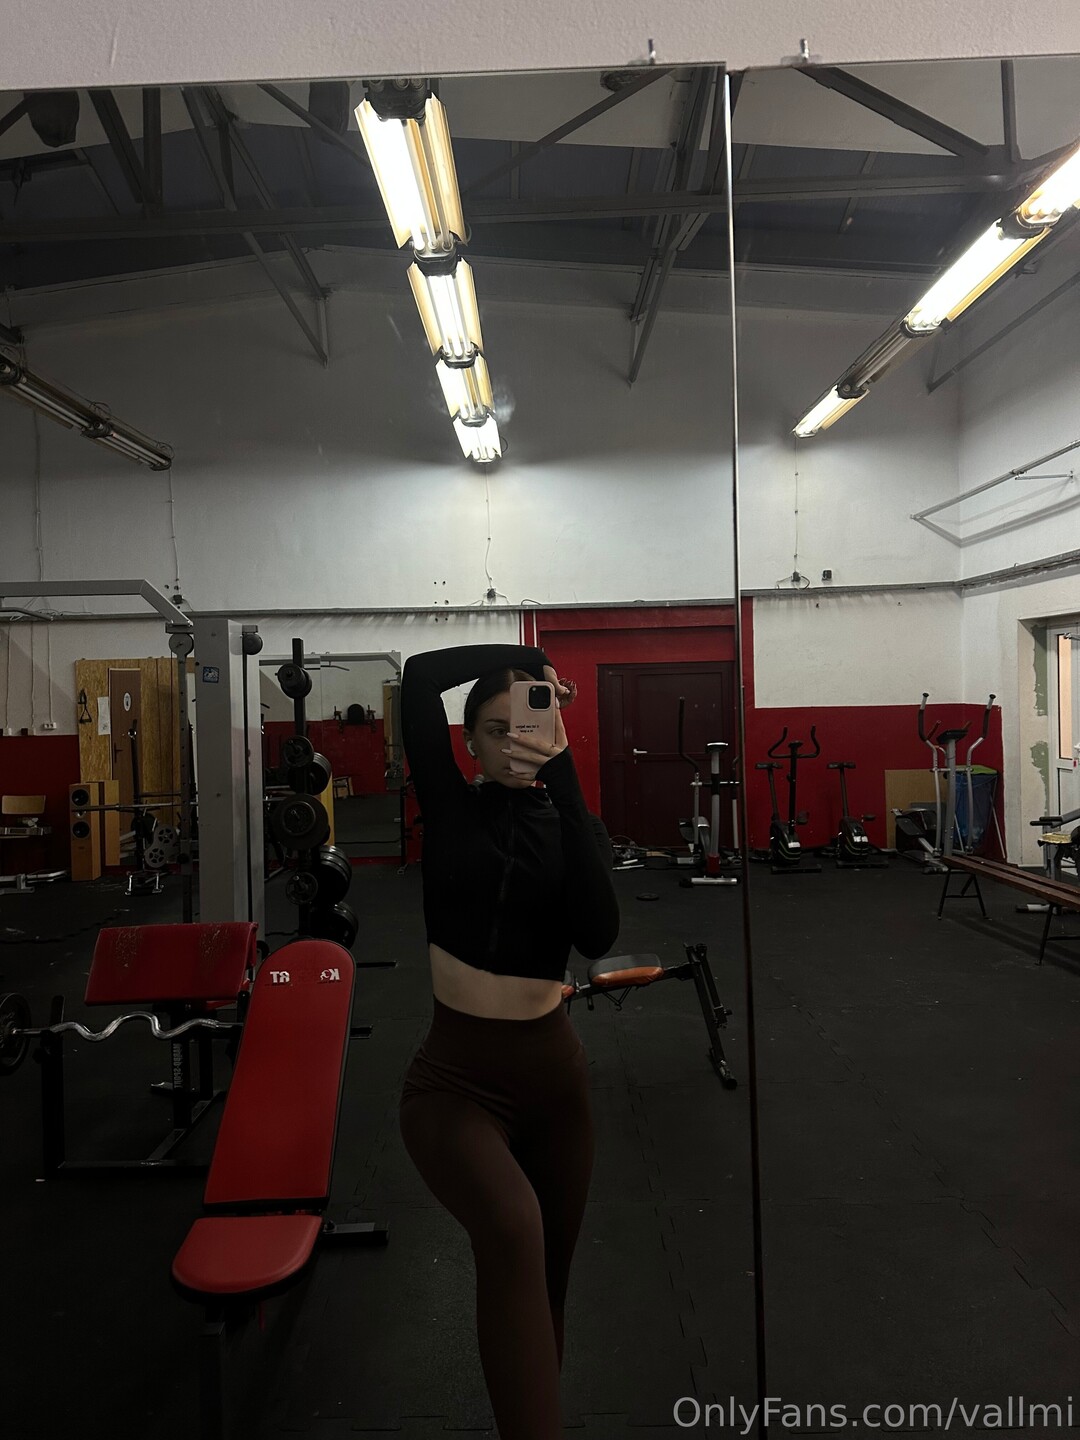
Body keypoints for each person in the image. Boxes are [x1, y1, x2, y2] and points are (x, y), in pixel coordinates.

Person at [398, 642, 620, 1440]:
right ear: (469, 743)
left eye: (528, 725)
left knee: (545, 1281)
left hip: (556, 1084)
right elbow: (422, 677)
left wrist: (562, 772)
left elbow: (597, 936)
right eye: (495, 730)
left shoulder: (576, 826)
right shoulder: (451, 808)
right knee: (513, 1230)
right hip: (455, 1084)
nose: (513, 743)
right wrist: (531, 656)